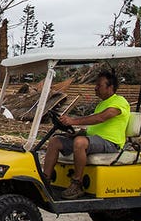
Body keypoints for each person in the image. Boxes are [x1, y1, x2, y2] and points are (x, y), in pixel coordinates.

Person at [42, 71, 130, 199]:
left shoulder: (119, 102)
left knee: (80, 142)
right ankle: (45, 180)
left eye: (99, 85)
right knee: (56, 141)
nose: (95, 88)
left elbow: (101, 118)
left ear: (110, 88)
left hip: (110, 143)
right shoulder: (101, 104)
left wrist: (73, 121)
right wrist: (76, 133)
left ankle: (77, 184)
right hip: (94, 141)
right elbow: (94, 127)